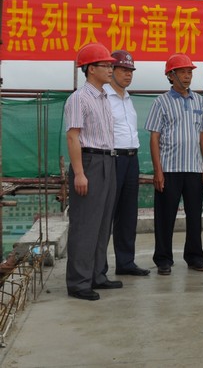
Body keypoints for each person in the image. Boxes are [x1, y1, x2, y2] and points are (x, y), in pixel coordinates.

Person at [64, 42, 122, 301]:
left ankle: (97, 274)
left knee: (103, 223)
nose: (110, 69)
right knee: (85, 224)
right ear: (90, 69)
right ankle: (79, 282)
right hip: (89, 162)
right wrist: (79, 173)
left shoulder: (104, 97)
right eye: (105, 65)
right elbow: (73, 136)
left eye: (111, 65)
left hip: (108, 161)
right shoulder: (79, 98)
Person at [144, 53, 203, 275]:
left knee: (195, 216)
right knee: (165, 217)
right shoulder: (161, 102)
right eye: (182, 72)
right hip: (169, 169)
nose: (187, 76)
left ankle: (195, 257)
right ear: (171, 75)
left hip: (194, 168)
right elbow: (154, 137)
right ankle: (163, 259)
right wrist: (158, 171)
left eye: (189, 72)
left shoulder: (199, 101)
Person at [102, 50, 150, 277]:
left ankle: (125, 262)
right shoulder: (103, 96)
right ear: (111, 70)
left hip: (131, 158)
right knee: (106, 213)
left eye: (130, 70)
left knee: (128, 213)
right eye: (123, 70)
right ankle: (99, 267)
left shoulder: (128, 98)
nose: (128, 74)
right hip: (112, 158)